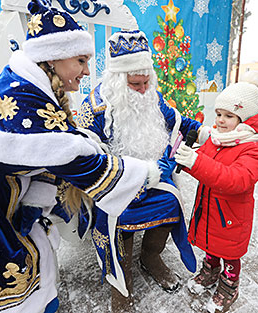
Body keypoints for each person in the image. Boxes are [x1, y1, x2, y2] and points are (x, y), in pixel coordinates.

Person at [0, 2, 164, 312]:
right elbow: (87, 167)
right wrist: (146, 173)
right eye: (80, 60)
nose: (87, 71)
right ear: (52, 58)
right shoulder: (30, 105)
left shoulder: (30, 85)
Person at [76, 30, 211, 313]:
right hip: (117, 184)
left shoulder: (152, 95)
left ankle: (151, 257)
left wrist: (203, 132)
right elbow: (85, 155)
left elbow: (177, 120)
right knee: (119, 221)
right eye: (134, 84)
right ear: (117, 81)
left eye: (146, 82)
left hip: (156, 179)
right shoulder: (94, 108)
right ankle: (121, 280)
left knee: (170, 202)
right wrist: (126, 175)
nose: (141, 90)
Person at [174, 71, 258, 313]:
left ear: (245, 119)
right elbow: (204, 163)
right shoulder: (218, 139)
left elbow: (236, 180)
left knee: (229, 254)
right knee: (211, 245)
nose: (220, 121)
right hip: (209, 210)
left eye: (229, 115)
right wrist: (184, 158)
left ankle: (229, 285)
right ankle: (210, 269)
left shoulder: (254, 149)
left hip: (230, 217)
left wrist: (196, 162)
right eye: (218, 114)